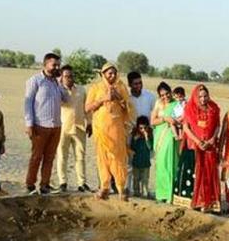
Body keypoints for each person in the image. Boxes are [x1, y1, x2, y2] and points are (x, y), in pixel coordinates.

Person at [85, 62, 135, 201]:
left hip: (117, 129)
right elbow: (88, 107)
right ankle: (105, 187)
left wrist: (118, 97)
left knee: (118, 158)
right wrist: (103, 99)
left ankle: (121, 189)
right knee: (103, 158)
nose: (112, 76)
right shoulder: (95, 88)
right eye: (109, 73)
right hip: (101, 129)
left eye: (114, 73)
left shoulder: (121, 87)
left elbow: (128, 108)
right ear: (103, 74)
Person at [24, 52, 70, 195]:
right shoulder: (35, 81)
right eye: (54, 64)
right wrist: (29, 123)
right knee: (36, 156)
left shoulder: (56, 83)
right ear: (45, 64)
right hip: (39, 125)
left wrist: (61, 83)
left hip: (56, 126)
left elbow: (66, 99)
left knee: (49, 158)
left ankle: (45, 185)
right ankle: (30, 185)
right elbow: (28, 102)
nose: (57, 67)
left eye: (58, 65)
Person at [183, 84, 221, 212]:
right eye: (200, 97)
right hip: (195, 146)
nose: (203, 99)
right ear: (195, 96)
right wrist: (198, 141)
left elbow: (217, 126)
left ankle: (208, 203)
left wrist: (212, 139)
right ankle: (197, 201)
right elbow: (186, 128)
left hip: (210, 146)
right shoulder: (189, 108)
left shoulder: (214, 108)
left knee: (209, 173)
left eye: (205, 96)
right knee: (197, 172)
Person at [55, 64, 92, 193]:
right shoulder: (57, 90)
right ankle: (62, 182)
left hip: (79, 127)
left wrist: (90, 123)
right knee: (62, 156)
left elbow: (86, 109)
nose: (69, 78)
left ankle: (82, 183)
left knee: (80, 156)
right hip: (62, 128)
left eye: (71, 76)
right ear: (61, 77)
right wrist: (58, 84)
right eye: (66, 76)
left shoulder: (81, 90)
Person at [124, 72, 156, 194]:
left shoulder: (149, 96)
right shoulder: (126, 97)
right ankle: (129, 188)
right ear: (129, 84)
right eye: (135, 83)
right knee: (129, 161)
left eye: (140, 83)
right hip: (131, 133)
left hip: (146, 133)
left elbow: (154, 113)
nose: (138, 85)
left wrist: (149, 130)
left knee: (144, 161)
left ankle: (144, 190)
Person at [151, 82, 179, 203]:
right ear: (159, 96)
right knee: (161, 165)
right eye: (162, 95)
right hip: (160, 138)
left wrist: (173, 121)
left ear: (170, 92)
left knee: (171, 164)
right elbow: (152, 121)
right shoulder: (158, 104)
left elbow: (181, 121)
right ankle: (161, 193)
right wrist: (164, 119)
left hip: (171, 137)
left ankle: (170, 194)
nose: (165, 97)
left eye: (167, 94)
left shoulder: (177, 104)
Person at [130, 116, 152, 198]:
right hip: (136, 162)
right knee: (136, 179)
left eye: (145, 128)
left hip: (146, 163)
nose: (142, 130)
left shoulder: (149, 134)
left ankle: (145, 194)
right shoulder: (135, 134)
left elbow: (150, 147)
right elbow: (132, 148)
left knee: (145, 180)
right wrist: (135, 140)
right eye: (140, 128)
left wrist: (146, 138)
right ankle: (136, 193)